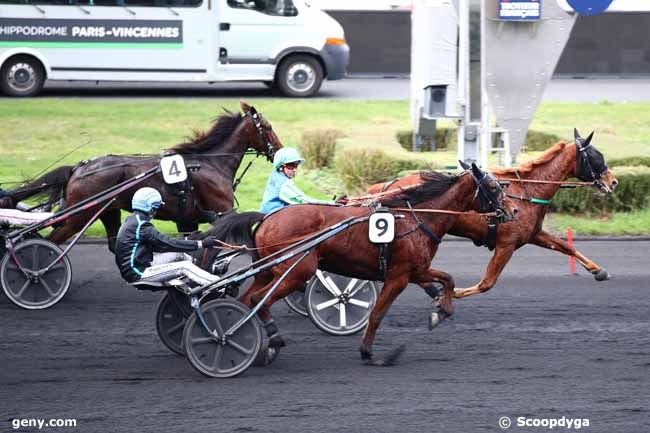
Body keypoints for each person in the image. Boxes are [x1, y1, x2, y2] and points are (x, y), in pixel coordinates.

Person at [114, 187, 218, 287]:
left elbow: (160, 244)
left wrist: (187, 240)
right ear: (150, 208)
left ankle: (209, 269)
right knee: (184, 266)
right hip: (139, 272)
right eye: (155, 208)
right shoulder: (142, 226)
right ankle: (218, 284)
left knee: (179, 255)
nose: (155, 212)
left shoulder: (133, 221)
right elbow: (166, 243)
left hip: (141, 264)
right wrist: (201, 243)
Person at [259, 147, 334, 214]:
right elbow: (304, 201)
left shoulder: (275, 174)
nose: (295, 169)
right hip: (274, 217)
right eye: (291, 165)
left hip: (267, 213)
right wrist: (332, 204)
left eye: (296, 165)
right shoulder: (284, 183)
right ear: (281, 167)